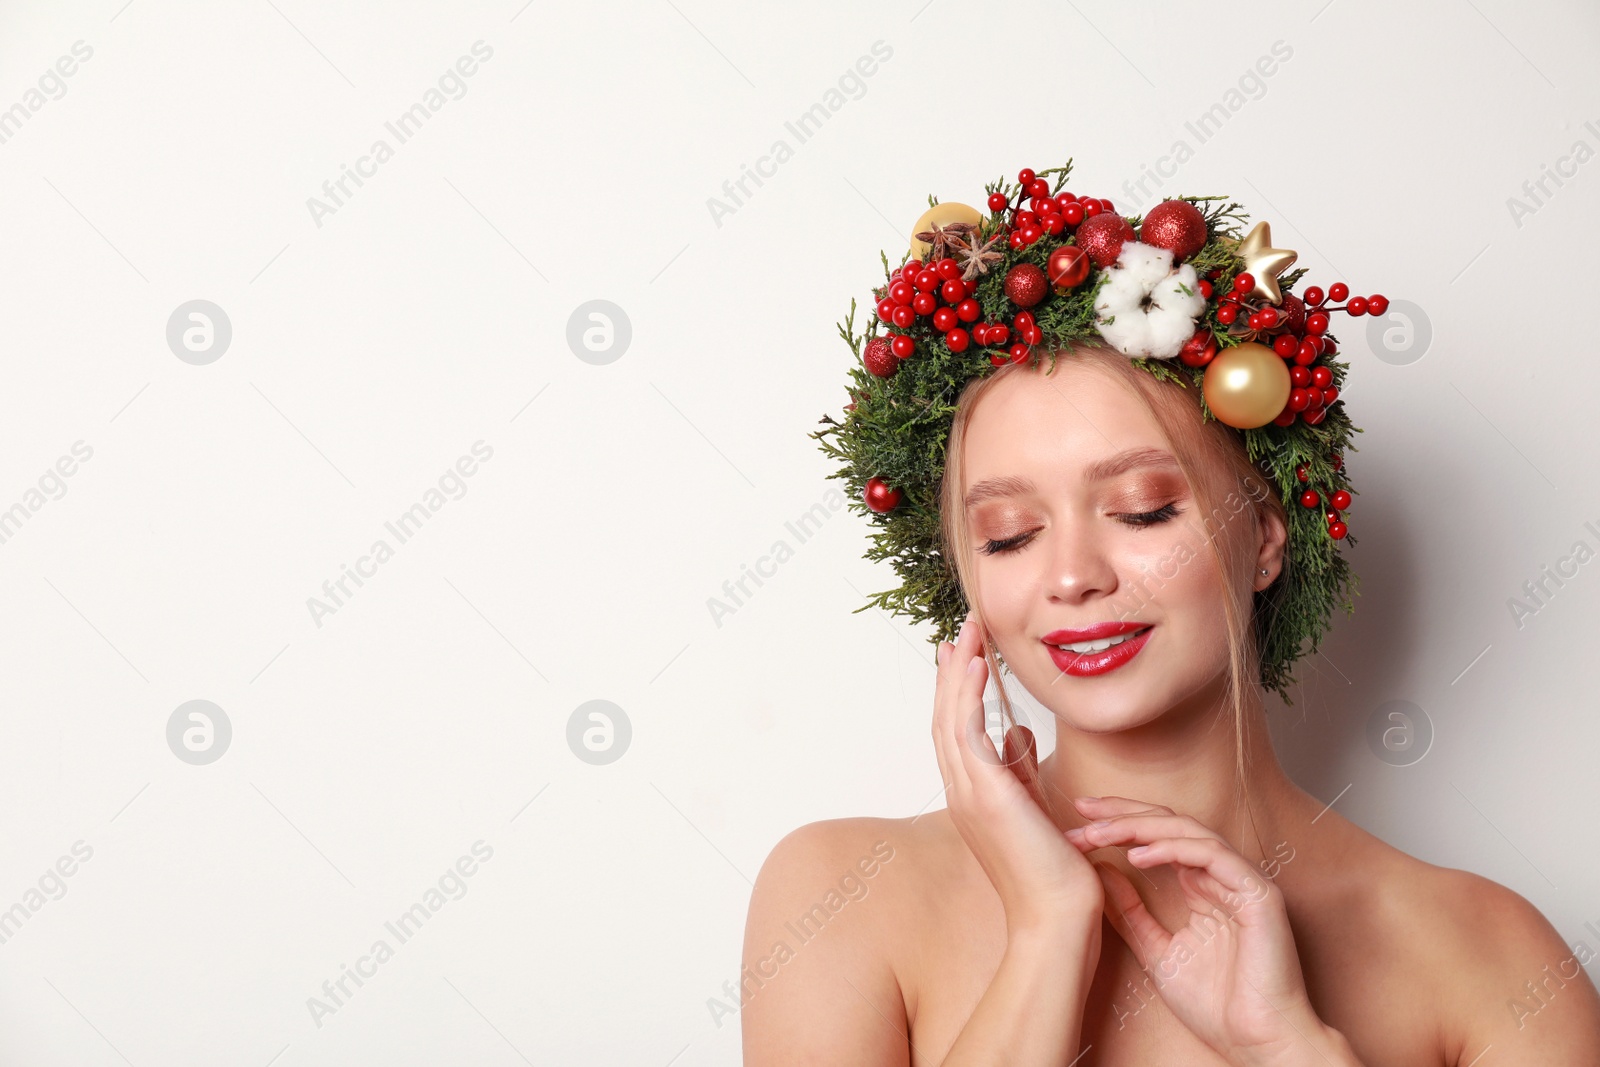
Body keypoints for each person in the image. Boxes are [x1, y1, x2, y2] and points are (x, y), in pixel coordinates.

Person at [739, 165, 1600, 1065]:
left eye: (1143, 510)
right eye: (1009, 534)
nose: (1071, 577)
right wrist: (1047, 931)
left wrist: (1297, 1052)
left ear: (1266, 536)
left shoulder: (1489, 959)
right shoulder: (837, 897)